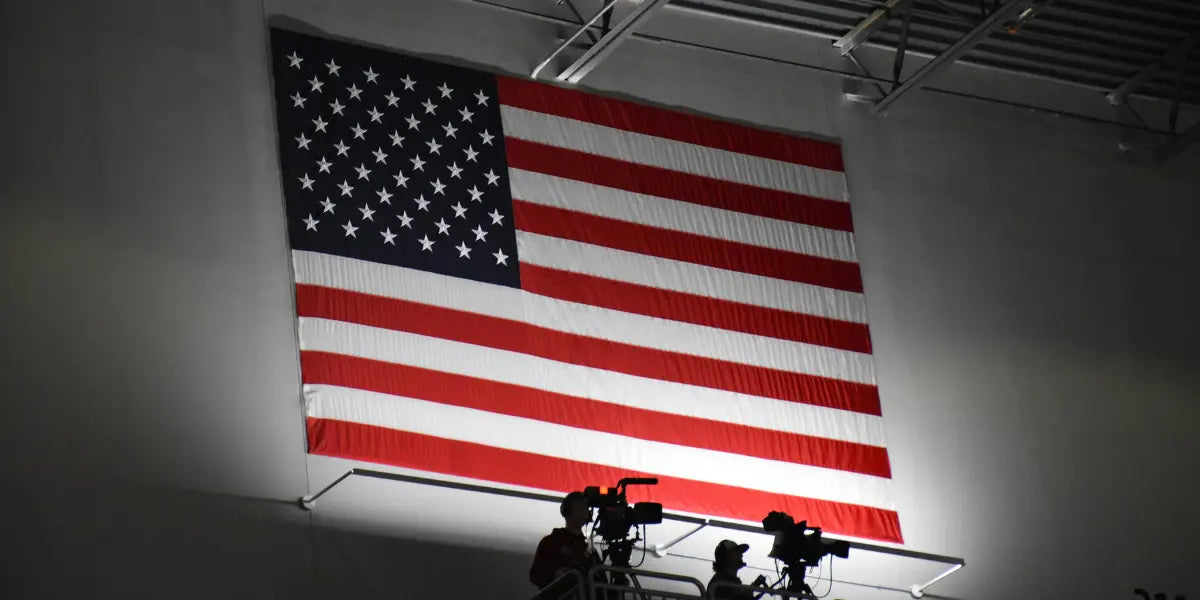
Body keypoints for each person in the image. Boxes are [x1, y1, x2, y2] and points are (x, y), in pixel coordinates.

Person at [529, 491, 602, 596]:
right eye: (578, 507)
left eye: (585, 508)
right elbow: (535, 575)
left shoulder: (589, 550)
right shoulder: (551, 542)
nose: (583, 511)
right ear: (567, 511)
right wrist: (555, 574)